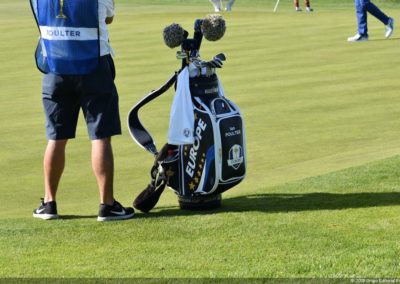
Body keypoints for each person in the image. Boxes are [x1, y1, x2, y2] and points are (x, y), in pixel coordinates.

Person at [30, 0, 134, 221]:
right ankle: (107, 205)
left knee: (56, 137)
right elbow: (109, 17)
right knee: (101, 136)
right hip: (94, 66)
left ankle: (49, 204)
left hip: (55, 67)